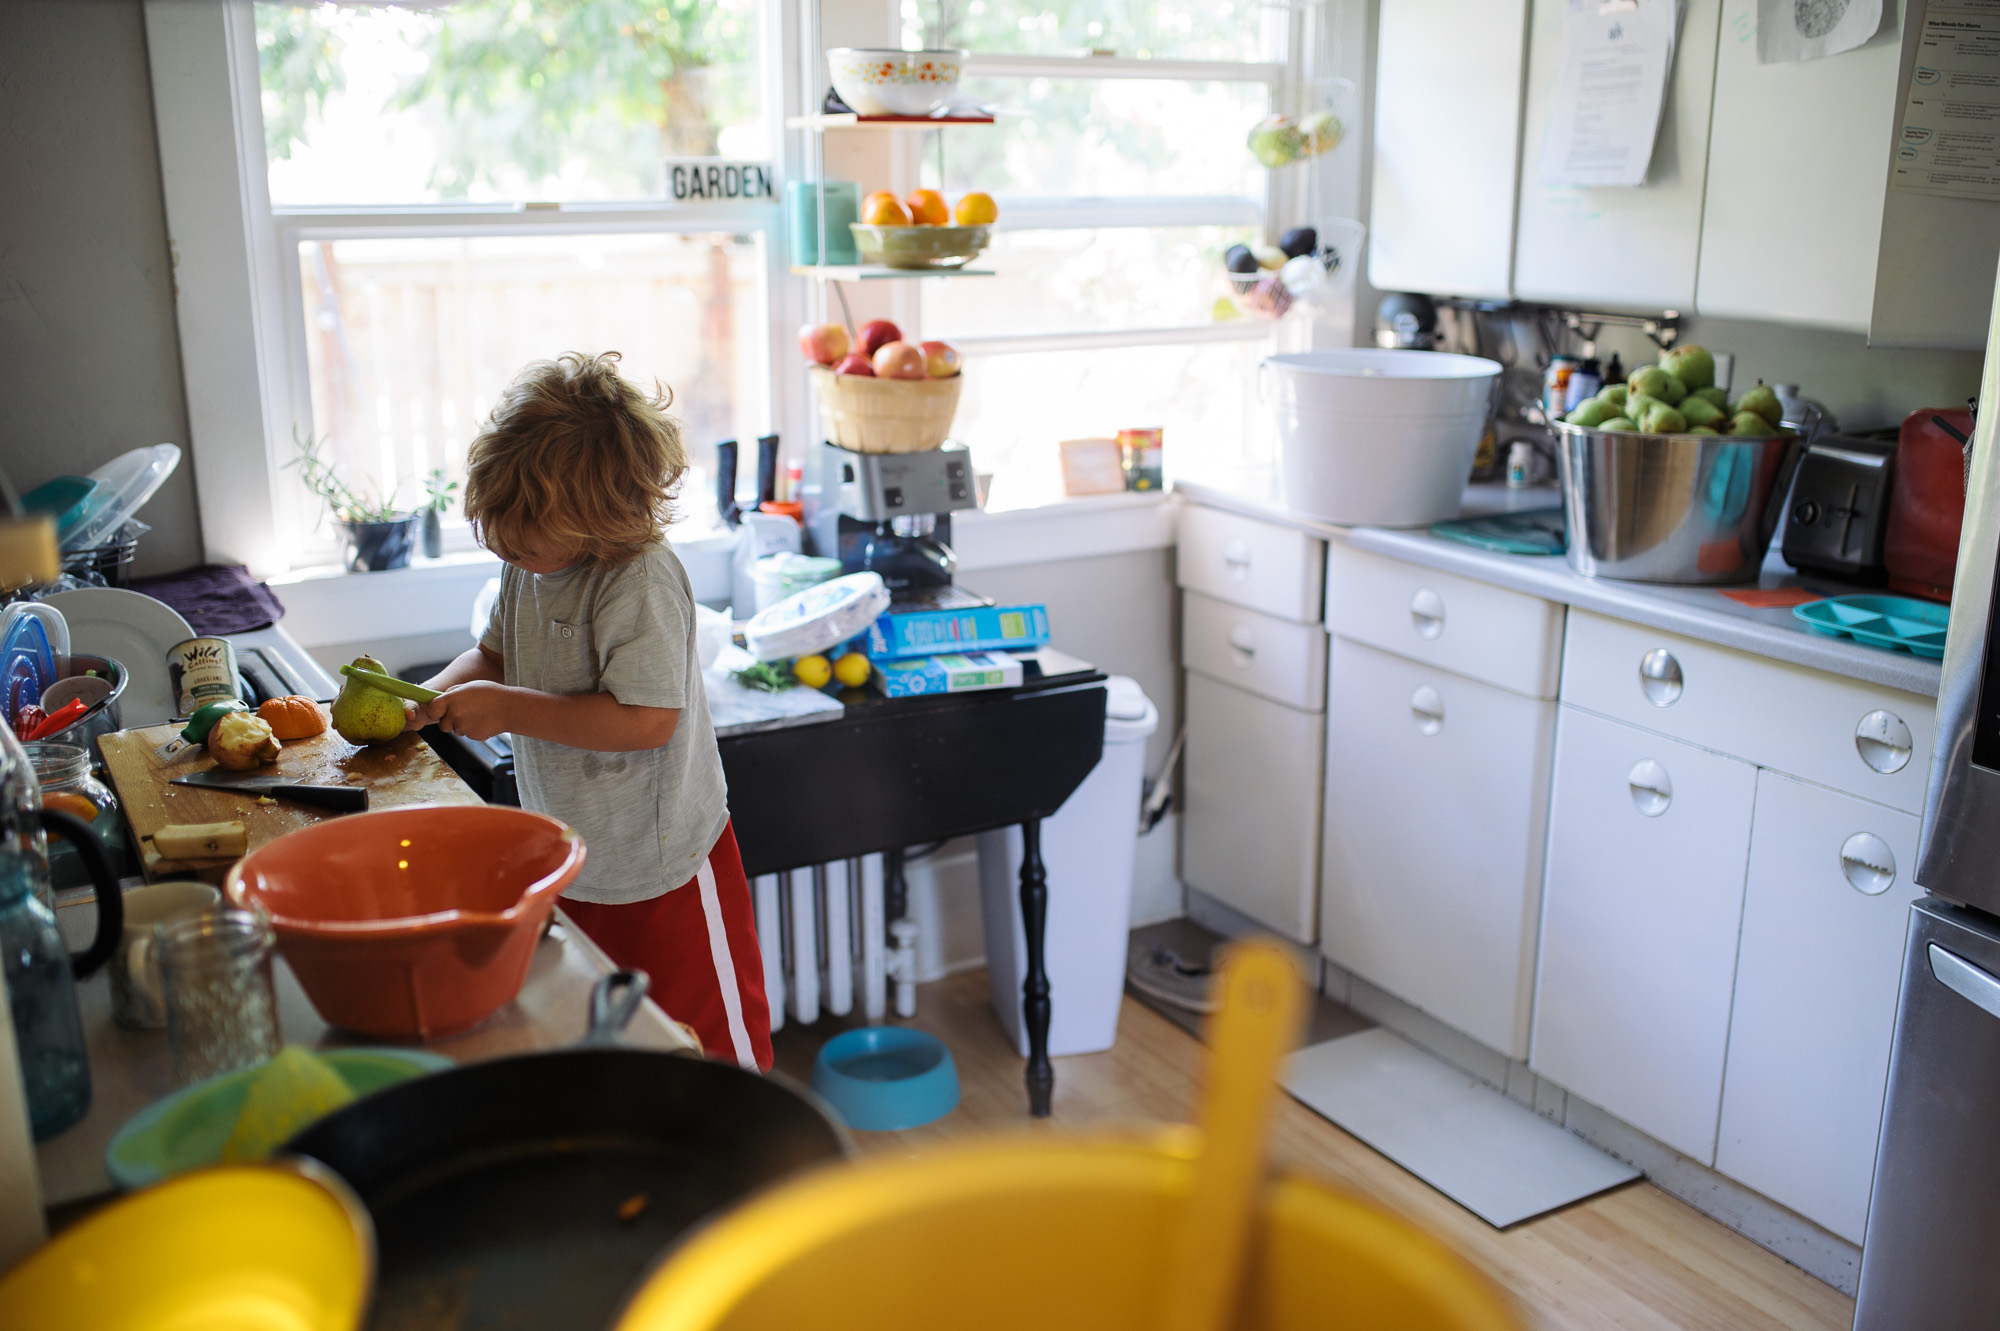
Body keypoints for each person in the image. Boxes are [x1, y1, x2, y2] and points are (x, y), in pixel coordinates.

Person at [406, 351, 771, 1071]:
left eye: (523, 527)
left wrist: (506, 708)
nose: (504, 540)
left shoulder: (639, 579)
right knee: (615, 1045)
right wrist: (437, 697)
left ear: (598, 513)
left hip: (665, 864)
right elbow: (496, 656)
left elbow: (646, 721)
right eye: (498, 523)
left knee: (712, 1049)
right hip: (577, 860)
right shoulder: (530, 561)